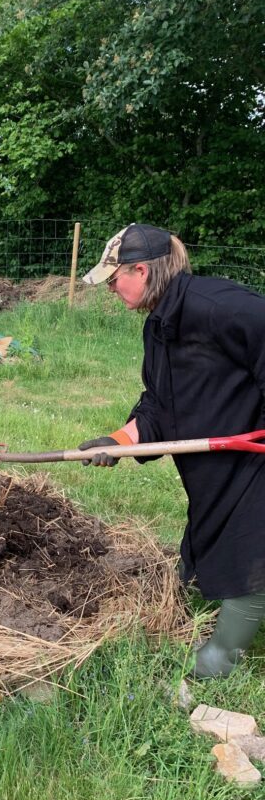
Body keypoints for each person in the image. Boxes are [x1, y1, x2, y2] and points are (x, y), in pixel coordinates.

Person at [79, 223, 265, 679]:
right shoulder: (160, 327)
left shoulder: (219, 307)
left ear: (140, 270)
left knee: (252, 563)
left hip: (255, 460)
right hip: (216, 470)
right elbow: (159, 405)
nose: (110, 290)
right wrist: (118, 443)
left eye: (113, 278)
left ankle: (218, 661)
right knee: (202, 561)